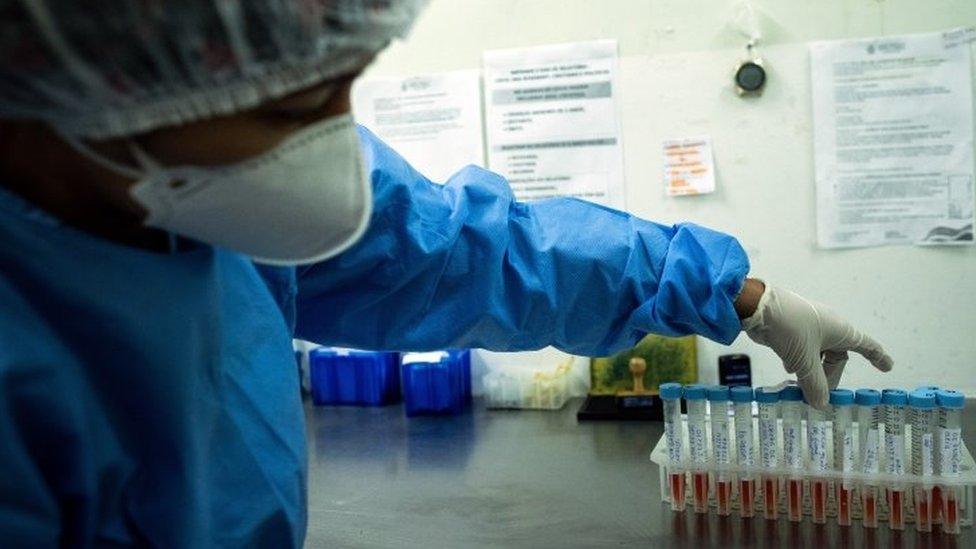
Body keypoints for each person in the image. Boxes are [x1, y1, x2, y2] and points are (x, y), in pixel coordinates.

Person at [0, 1, 892, 546]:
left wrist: (741, 296)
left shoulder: (205, 189)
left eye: (346, 85)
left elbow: (466, 253)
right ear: (71, 81)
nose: (337, 147)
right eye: (293, 102)